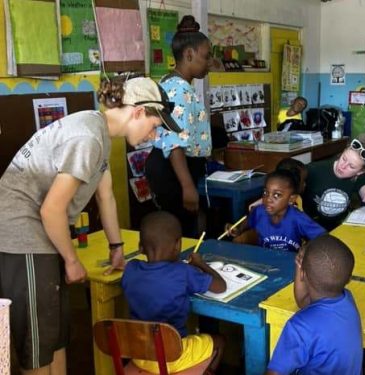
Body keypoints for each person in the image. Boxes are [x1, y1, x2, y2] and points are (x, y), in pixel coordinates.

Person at [0, 76, 181, 374]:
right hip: (22, 238)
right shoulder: (88, 137)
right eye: (154, 126)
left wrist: (117, 247)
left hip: (40, 236)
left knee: (55, 334)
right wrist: (71, 260)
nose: (153, 135)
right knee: (37, 345)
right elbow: (51, 210)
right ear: (137, 112)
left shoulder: (98, 132)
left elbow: (106, 196)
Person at [122, 211, 226, 374]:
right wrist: (201, 263)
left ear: (140, 247)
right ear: (177, 245)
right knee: (219, 341)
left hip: (139, 353)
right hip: (173, 357)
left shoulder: (130, 269)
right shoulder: (183, 272)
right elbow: (220, 287)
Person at [145, 15, 212, 238]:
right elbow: (174, 143)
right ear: (189, 54)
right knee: (181, 232)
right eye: (206, 56)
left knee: (187, 227)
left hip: (178, 167)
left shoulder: (174, 83)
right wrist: (187, 187)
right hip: (173, 170)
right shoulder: (179, 90)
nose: (209, 63)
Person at [266, 234, 363, 375]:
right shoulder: (347, 299)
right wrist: (302, 269)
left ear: (303, 275)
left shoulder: (299, 327)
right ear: (348, 279)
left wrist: (300, 270)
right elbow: (304, 302)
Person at [227, 169, 326, 252]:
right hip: (265, 263)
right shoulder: (259, 212)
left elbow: (324, 238)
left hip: (290, 264)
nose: (268, 199)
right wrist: (237, 229)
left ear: (291, 199)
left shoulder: (298, 218)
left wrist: (306, 249)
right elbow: (245, 224)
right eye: (266, 192)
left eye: (277, 195)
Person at [302, 138, 365, 231]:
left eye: (351, 166)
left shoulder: (358, 177)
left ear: (360, 172)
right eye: (344, 159)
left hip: (338, 228)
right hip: (310, 228)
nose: (343, 166)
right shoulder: (314, 169)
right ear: (343, 152)